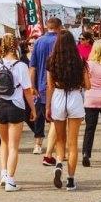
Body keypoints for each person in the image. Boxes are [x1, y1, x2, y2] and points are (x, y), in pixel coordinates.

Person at [0, 33, 36, 192]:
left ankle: (4, 174)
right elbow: (27, 91)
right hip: (16, 106)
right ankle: (11, 181)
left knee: (4, 143)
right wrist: (33, 109)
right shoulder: (21, 66)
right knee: (14, 146)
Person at [46, 30, 91, 191]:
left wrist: (48, 106)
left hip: (58, 96)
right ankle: (71, 180)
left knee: (60, 139)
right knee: (73, 143)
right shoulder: (80, 61)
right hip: (74, 97)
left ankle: (58, 163)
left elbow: (49, 86)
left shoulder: (51, 61)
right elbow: (88, 85)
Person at [30, 17, 62, 162]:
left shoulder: (38, 41)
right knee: (57, 119)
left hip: (42, 84)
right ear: (59, 27)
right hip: (60, 85)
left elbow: (33, 67)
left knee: (41, 115)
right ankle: (57, 147)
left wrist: (32, 85)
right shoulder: (62, 41)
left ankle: (38, 144)